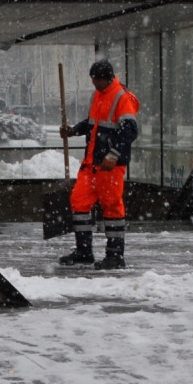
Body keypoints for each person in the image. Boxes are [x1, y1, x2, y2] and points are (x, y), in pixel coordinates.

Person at [58, 59, 139, 269]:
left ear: (107, 79)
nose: (94, 83)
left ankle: (115, 255)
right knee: (79, 202)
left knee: (111, 207)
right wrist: (74, 130)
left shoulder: (121, 97)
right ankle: (84, 251)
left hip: (110, 165)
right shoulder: (98, 95)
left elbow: (130, 130)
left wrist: (113, 154)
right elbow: (92, 124)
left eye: (96, 80)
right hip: (92, 163)